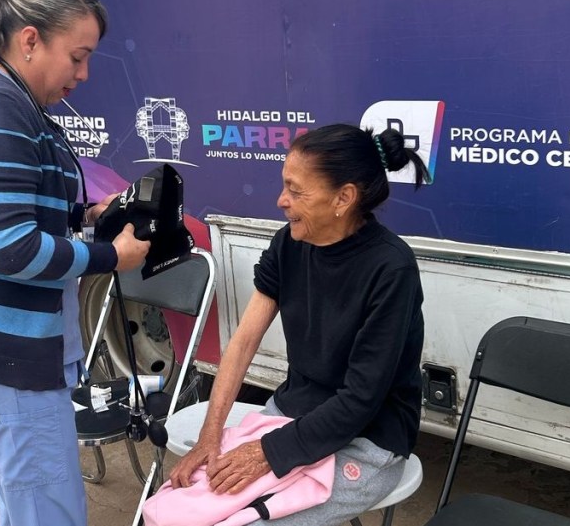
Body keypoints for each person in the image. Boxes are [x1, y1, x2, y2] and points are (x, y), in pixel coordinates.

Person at [0, 0, 150, 526]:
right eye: (78, 56)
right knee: (47, 513)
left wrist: (83, 216)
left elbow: (3, 210)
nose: (84, 74)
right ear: (29, 40)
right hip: (6, 354)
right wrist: (113, 257)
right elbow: (14, 250)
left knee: (29, 503)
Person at [167, 124, 428, 526]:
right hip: (293, 414)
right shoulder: (289, 244)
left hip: (369, 437)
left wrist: (266, 453)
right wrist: (210, 435)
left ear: (344, 198)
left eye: (296, 190)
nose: (281, 200)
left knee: (246, 523)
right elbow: (242, 342)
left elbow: (361, 400)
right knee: (185, 505)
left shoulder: (391, 269)